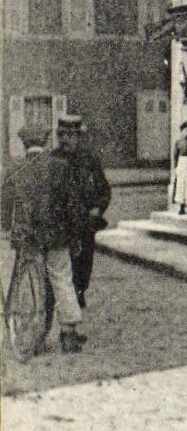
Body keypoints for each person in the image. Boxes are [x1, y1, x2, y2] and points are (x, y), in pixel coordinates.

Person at [0, 121, 87, 353]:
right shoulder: (60, 167)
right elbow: (73, 206)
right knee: (61, 279)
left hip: (27, 238)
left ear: (23, 143)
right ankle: (69, 333)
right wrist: (75, 236)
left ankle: (31, 335)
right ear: (46, 141)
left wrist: (6, 227)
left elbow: (5, 205)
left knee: (28, 283)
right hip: (56, 237)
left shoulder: (15, 168)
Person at [56, 113, 111, 309]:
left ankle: (79, 291)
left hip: (85, 221)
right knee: (61, 262)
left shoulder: (89, 160)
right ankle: (65, 298)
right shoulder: (53, 159)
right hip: (61, 222)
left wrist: (98, 208)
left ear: (79, 137)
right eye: (62, 135)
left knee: (84, 261)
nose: (65, 140)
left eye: (70, 135)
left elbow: (104, 189)